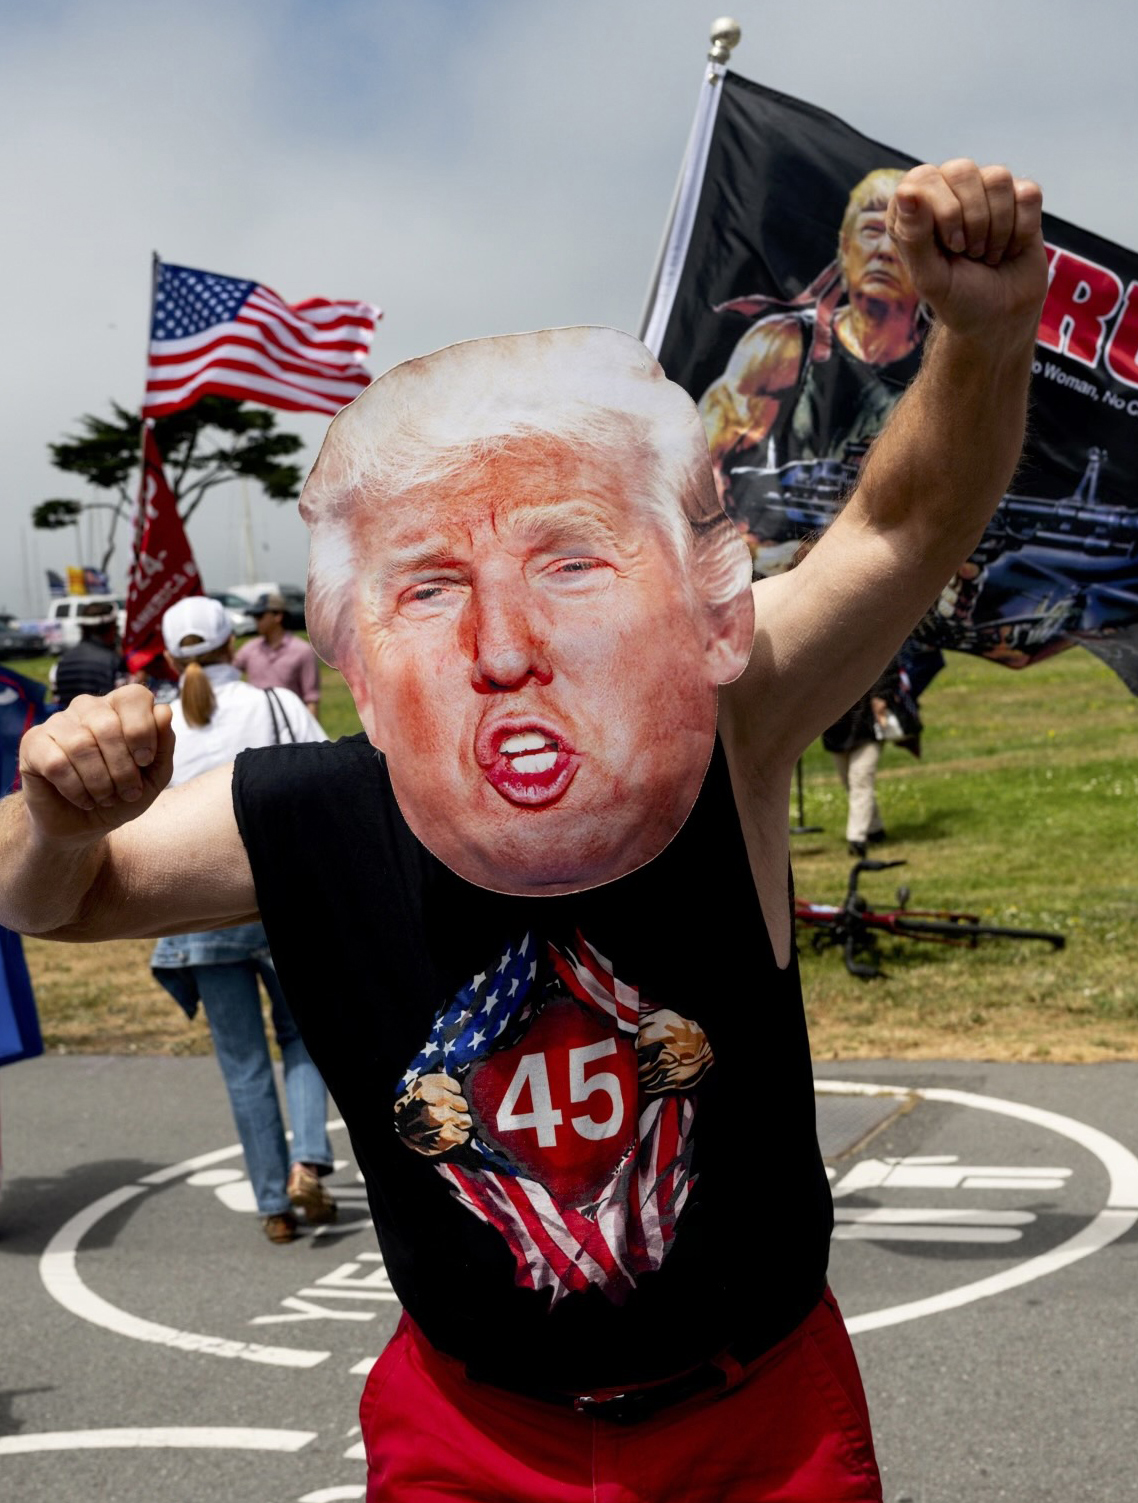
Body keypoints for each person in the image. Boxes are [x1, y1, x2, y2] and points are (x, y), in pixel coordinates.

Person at [0, 161, 1047, 1502]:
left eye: (566, 562)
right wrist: (58, 812)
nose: (503, 647)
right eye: (431, 586)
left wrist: (984, 334)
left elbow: (900, 525)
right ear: (356, 647)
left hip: (751, 1419)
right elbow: (51, 899)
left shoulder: (718, 732)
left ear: (681, 597)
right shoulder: (315, 813)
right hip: (476, 1429)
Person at [150, 595, 337, 1244]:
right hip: (276, 898)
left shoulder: (157, 724)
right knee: (304, 1036)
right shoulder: (274, 705)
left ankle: (272, 1206)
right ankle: (308, 1159)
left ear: (173, 656)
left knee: (242, 1064)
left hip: (194, 913)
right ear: (236, 643)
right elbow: (326, 780)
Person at [823, 655, 917, 857]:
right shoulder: (821, 649)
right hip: (835, 728)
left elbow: (890, 667)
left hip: (868, 725)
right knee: (850, 782)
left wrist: (882, 697)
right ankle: (875, 829)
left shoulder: (871, 638)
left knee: (860, 778)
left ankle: (856, 839)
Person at [234, 590, 322, 720]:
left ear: (278, 616)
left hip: (291, 723)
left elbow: (311, 698)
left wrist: (312, 736)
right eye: (254, 617)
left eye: (260, 616)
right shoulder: (249, 648)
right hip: (257, 722)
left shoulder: (303, 651)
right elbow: (227, 671)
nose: (256, 621)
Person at [53, 603, 126, 708]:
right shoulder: (112, 660)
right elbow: (122, 700)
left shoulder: (63, 661)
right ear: (109, 628)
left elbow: (57, 700)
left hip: (71, 722)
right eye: (115, 627)